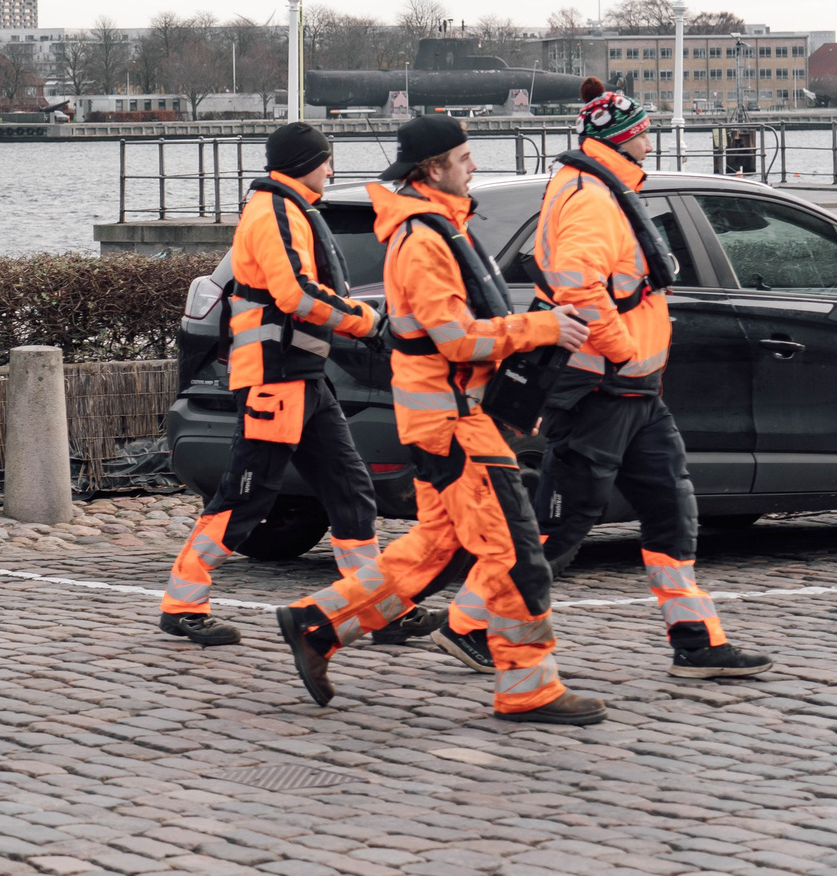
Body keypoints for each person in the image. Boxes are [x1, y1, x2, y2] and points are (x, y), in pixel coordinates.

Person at [272, 115, 604, 724]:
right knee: (515, 555)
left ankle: (319, 623)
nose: (473, 166)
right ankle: (528, 687)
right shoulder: (424, 239)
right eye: (464, 157)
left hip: (452, 421)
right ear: (433, 168)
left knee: (433, 552)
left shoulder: (436, 227)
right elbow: (455, 338)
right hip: (453, 426)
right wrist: (543, 327)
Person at [522, 80, 771, 679]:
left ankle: (696, 639)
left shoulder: (602, 187)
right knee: (563, 522)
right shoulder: (590, 197)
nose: (651, 144)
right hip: (600, 387)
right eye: (644, 134)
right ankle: (476, 623)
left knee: (671, 508)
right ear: (622, 139)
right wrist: (621, 349)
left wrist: (632, 361)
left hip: (633, 389)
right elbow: (578, 286)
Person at [158, 122, 411, 646]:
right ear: (305, 163)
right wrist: (367, 322)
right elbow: (296, 294)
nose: (332, 171)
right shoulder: (276, 211)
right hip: (275, 381)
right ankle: (182, 604)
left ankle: (378, 608)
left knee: (351, 492)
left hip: (302, 377)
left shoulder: (288, 207)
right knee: (245, 499)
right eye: (326, 161)